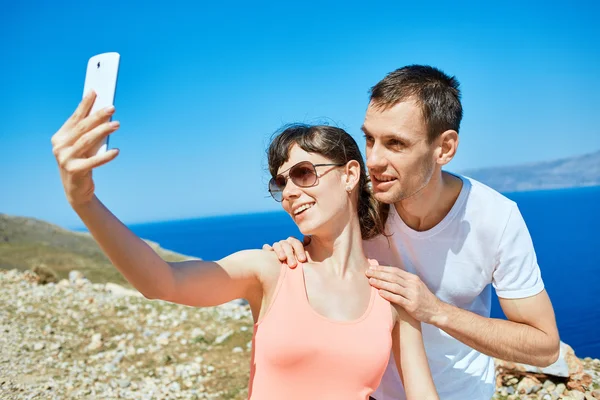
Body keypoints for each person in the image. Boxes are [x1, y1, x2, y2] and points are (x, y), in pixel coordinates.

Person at [50, 96, 439, 400]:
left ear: (350, 174)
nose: (290, 192)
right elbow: (161, 281)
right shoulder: (271, 270)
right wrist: (85, 202)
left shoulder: (394, 292)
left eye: (303, 173)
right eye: (280, 183)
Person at [265, 65, 561, 400]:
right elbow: (313, 255)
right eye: (370, 139)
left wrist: (435, 310)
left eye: (395, 143)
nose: (373, 160)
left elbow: (545, 346)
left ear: (444, 149)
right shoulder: (358, 201)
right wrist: (292, 250)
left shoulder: (495, 218)